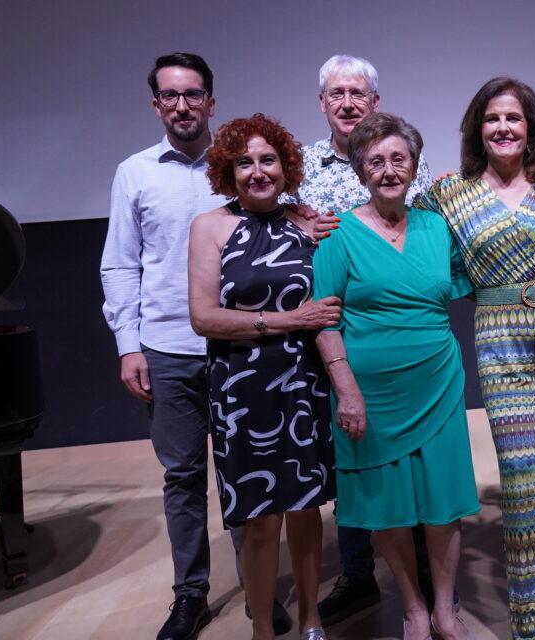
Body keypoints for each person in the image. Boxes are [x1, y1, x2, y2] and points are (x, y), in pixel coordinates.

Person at [100, 52, 287, 640]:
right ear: (156, 104)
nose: (182, 105)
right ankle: (191, 595)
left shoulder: (242, 167)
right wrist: (129, 345)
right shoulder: (135, 172)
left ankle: (259, 594)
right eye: (170, 96)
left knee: (246, 471)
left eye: (193, 94)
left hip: (238, 349)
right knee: (182, 476)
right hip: (168, 349)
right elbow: (119, 264)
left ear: (210, 100)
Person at [415, 76, 535, 640]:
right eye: (492, 119)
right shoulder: (449, 193)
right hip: (500, 332)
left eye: (514, 119)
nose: (504, 128)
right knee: (519, 470)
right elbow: (416, 238)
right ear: (477, 128)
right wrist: (474, 285)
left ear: (532, 128)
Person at [311, 112, 480, 640]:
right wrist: (346, 390)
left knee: (443, 502)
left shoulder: (436, 226)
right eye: (376, 161)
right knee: (387, 508)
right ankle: (411, 607)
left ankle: (446, 609)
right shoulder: (337, 233)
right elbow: (323, 320)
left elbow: (465, 282)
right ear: (361, 169)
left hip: (437, 380)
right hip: (369, 393)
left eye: (398, 159)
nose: (388, 170)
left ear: (414, 166)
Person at [291, 53, 439, 626]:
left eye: (358, 93)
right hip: (317, 323)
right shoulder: (297, 165)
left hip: (393, 327)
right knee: (349, 453)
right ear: (322, 103)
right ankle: (357, 573)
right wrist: (293, 221)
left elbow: (426, 226)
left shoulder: (408, 158)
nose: (348, 102)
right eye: (336, 94)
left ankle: (423, 576)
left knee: (408, 453)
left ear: (375, 102)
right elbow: (258, 215)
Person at [187, 113, 339, 640]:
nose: (258, 171)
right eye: (244, 162)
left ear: (285, 165)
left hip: (303, 383)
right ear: (228, 171)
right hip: (241, 387)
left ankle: (312, 618)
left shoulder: (304, 221)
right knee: (259, 518)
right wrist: (287, 321)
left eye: (268, 160)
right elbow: (204, 317)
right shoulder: (210, 226)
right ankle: (262, 631)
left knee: (305, 509)